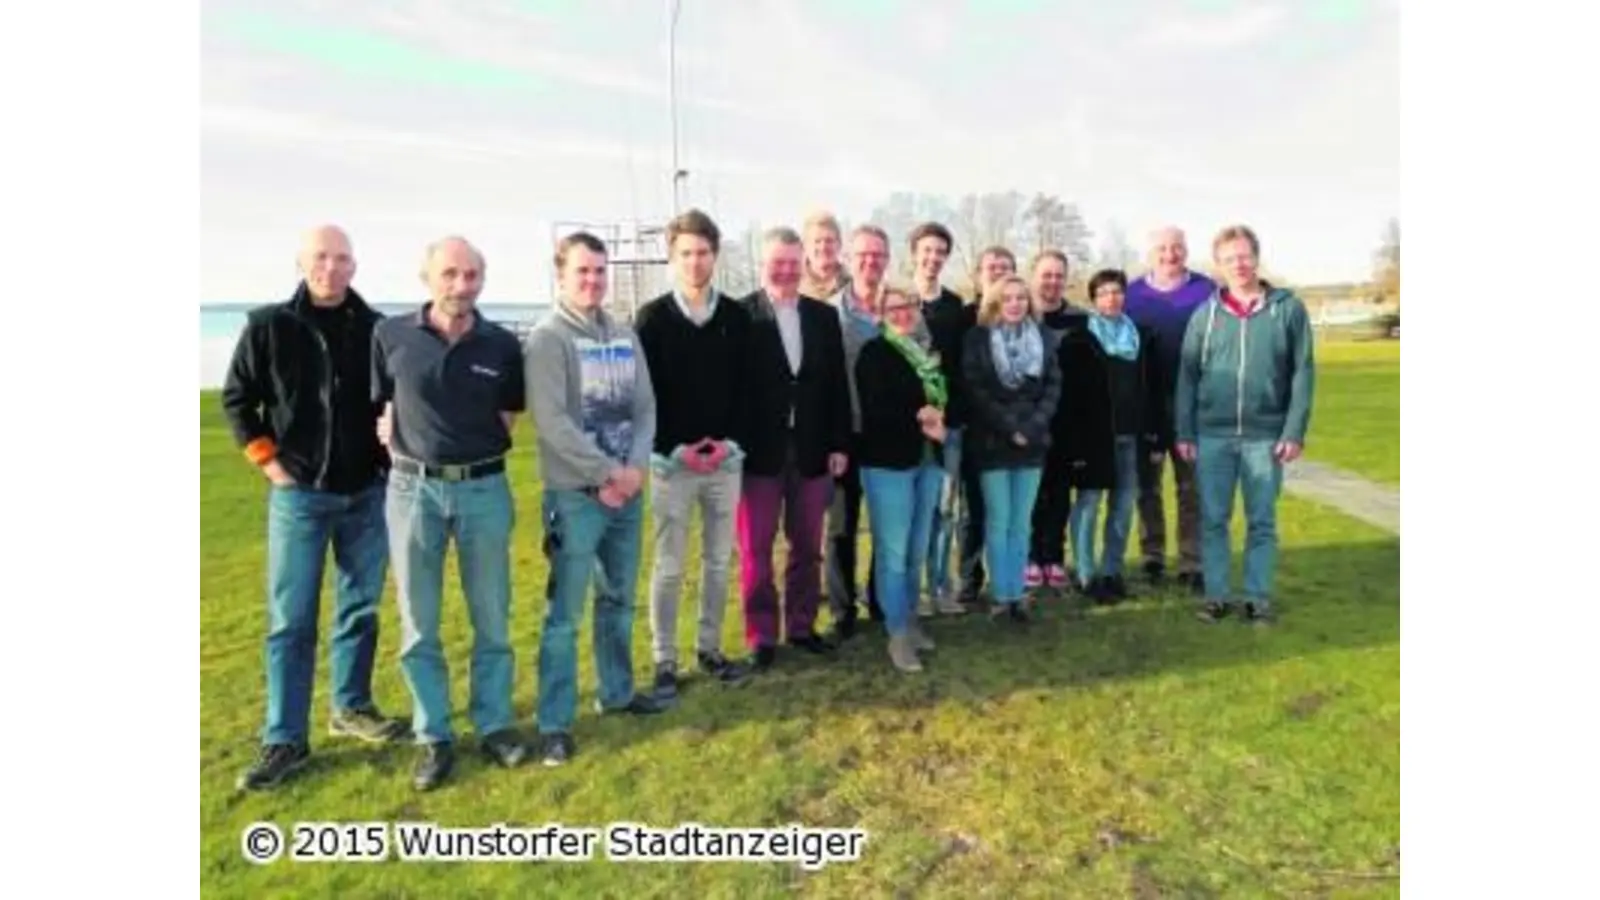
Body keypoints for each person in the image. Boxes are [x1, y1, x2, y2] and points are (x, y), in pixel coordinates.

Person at [222, 225, 405, 791]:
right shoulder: (269, 326)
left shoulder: (375, 329)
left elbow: (393, 400)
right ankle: (285, 737)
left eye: (342, 258)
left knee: (359, 610)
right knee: (291, 620)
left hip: (365, 495)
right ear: (302, 262)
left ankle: (351, 706)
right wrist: (269, 462)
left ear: (355, 265)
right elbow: (238, 399)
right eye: (321, 257)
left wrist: (391, 443)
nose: (331, 267)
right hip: (298, 495)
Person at [371, 236, 529, 791]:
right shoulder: (391, 335)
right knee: (419, 623)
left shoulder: (503, 345)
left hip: (484, 489)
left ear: (482, 279)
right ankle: (433, 735)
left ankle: (495, 724)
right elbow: (384, 405)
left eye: (471, 275)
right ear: (426, 276)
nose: (461, 285)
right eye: (450, 274)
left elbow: (508, 417)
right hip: (413, 493)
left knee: (492, 616)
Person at [525, 231, 668, 767]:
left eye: (599, 272)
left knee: (618, 601)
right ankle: (554, 721)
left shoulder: (625, 335)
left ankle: (618, 691)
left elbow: (646, 408)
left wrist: (632, 469)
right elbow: (553, 423)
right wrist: (608, 472)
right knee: (564, 615)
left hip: (626, 493)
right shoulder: (548, 339)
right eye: (582, 271)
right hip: (577, 496)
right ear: (561, 274)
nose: (593, 281)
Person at [634, 209, 753, 702]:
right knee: (669, 565)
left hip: (725, 461)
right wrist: (677, 448)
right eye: (686, 253)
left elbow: (748, 389)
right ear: (672, 258)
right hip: (672, 464)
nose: (696, 262)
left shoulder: (736, 317)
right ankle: (665, 658)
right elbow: (646, 395)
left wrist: (726, 444)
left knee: (719, 562)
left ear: (715, 256)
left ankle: (709, 648)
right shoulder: (653, 318)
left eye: (703, 252)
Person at [1174, 225, 1315, 625]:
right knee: (1213, 519)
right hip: (1213, 434)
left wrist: (1293, 430)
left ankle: (1257, 597)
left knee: (1262, 521)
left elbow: (1302, 372)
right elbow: (1187, 376)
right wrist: (1184, 431)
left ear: (1257, 257)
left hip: (1265, 435)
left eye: (1244, 256)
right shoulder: (1206, 315)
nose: (1238, 264)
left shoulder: (1287, 309)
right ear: (1218, 265)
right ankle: (1216, 596)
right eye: (1229, 258)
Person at [736, 227, 851, 669]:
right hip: (758, 454)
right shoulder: (742, 315)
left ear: (802, 264)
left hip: (813, 449)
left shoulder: (822, 317)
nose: (784, 271)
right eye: (776, 262)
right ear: (762, 264)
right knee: (756, 548)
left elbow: (837, 384)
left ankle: (802, 626)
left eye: (791, 262)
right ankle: (761, 635)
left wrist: (840, 442)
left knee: (807, 546)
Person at [1054, 270, 1168, 603]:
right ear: (1093, 299)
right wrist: (1073, 443)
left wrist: (1157, 436)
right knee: (1089, 503)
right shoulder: (1079, 340)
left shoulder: (1142, 339)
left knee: (1123, 505)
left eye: (1117, 291)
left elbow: (1155, 392)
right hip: (1094, 439)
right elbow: (1069, 398)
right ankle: (1086, 573)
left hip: (1131, 437)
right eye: (1103, 292)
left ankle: (1111, 571)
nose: (1111, 298)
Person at [855, 287, 949, 671]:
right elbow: (875, 409)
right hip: (887, 464)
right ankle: (896, 635)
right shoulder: (874, 354)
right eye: (892, 309)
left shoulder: (928, 354)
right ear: (880, 314)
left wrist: (940, 422)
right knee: (893, 554)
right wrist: (921, 418)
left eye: (908, 307)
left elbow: (943, 400)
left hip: (928, 460)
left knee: (916, 549)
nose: (902, 314)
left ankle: (910, 620)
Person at [962, 274, 1061, 623]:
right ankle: (1001, 595)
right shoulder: (978, 340)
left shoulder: (1045, 339)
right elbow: (976, 391)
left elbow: (1052, 387)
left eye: (1022, 298)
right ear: (995, 303)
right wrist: (1010, 428)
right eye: (1008, 298)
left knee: (1021, 523)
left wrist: (1031, 428)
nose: (1016, 304)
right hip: (993, 444)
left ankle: (1018, 593)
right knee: (999, 520)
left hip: (1033, 445)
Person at [1123, 227, 1217, 591]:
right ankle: (1152, 556)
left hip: (1192, 406)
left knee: (1190, 486)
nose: (1169, 254)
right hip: (1147, 405)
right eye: (1162, 248)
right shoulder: (1132, 294)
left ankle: (1192, 560)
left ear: (1186, 250)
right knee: (1147, 486)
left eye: (1176, 247)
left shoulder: (1206, 290)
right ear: (1151, 252)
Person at [823, 224, 900, 639]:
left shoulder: (900, 308)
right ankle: (841, 610)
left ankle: (881, 600)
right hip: (846, 434)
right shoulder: (831, 313)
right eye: (863, 254)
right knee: (841, 527)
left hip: (889, 437)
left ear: (887, 259)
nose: (871, 261)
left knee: (888, 524)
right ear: (849, 260)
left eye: (878, 255)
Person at [907, 222, 971, 618]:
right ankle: (911, 591)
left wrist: (951, 416)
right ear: (914, 252)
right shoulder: (898, 301)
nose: (933, 258)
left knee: (945, 510)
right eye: (927, 250)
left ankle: (941, 586)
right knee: (913, 512)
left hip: (949, 427)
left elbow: (959, 368)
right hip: (908, 427)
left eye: (940, 252)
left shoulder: (954, 306)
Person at [955, 245, 1019, 607]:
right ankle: (969, 577)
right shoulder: (966, 319)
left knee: (1010, 509)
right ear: (978, 273)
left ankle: (1008, 577)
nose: (996, 272)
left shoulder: (1022, 318)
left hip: (1017, 432)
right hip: (975, 428)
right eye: (991, 267)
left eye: (1004, 267)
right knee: (974, 508)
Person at [1026, 249, 1090, 592]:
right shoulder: (1021, 314)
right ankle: (1031, 557)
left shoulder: (1080, 319)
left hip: (1067, 421)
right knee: (1032, 493)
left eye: (1058, 275)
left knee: (1060, 493)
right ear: (1033, 276)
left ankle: (1053, 556)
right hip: (1030, 420)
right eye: (1046, 274)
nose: (1052, 281)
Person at [800, 209, 851, 301]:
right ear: (805, 246)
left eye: (829, 241)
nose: (823, 247)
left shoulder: (854, 286)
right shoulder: (791, 286)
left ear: (839, 244)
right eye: (817, 241)